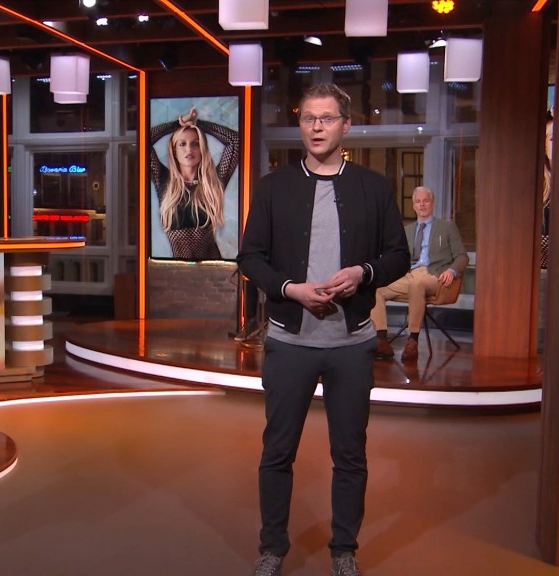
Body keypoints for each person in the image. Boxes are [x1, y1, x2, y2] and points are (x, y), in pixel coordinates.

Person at [237, 83, 410, 576]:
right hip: (289, 342)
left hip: (351, 344)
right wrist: (290, 289)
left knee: (350, 454)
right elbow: (250, 257)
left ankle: (344, 551)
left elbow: (398, 255)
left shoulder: (372, 187)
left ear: (345, 125)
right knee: (277, 452)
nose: (317, 127)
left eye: (327, 118)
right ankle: (272, 548)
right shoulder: (273, 187)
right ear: (301, 125)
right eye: (309, 118)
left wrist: (362, 274)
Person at [372, 186, 469, 361]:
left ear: (432, 203)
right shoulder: (407, 230)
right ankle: (382, 341)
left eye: (426, 201)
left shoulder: (447, 227)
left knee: (417, 284)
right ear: (414, 206)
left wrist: (452, 271)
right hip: (409, 274)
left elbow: (462, 256)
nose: (422, 205)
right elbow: (397, 256)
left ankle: (413, 340)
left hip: (435, 275)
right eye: (418, 202)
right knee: (376, 288)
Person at [149, 106, 239, 259]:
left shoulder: (212, 181)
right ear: (174, 150)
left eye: (195, 144)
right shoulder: (164, 180)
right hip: (178, 269)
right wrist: (179, 123)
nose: (189, 149)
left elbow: (235, 141)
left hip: (212, 266)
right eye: (182, 144)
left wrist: (198, 124)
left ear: (202, 148)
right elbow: (144, 138)